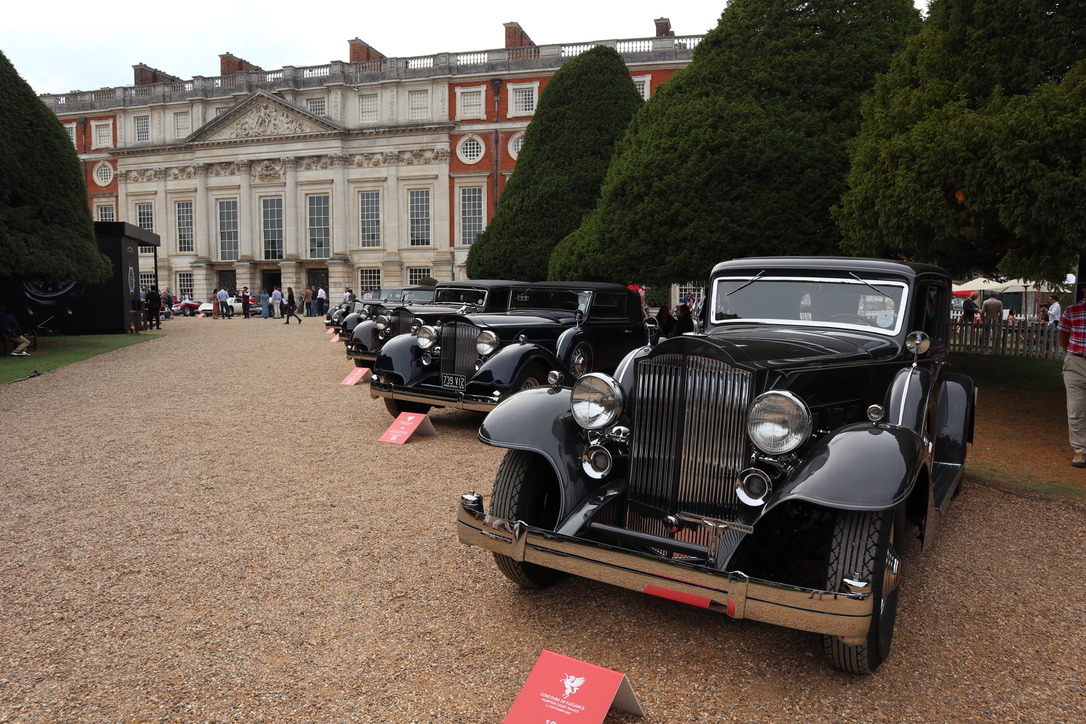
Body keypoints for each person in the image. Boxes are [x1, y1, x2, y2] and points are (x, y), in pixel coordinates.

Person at [1058, 286, 1086, 467]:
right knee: (1076, 409)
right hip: (1076, 363)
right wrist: (1074, 352)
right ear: (1084, 289)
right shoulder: (1072, 310)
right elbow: (1063, 336)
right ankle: (1080, 451)